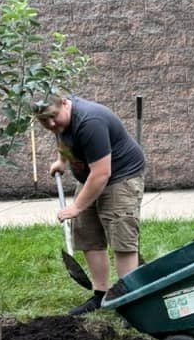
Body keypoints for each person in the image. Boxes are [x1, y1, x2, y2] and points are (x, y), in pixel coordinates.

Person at [34, 94, 145, 315]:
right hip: (90, 178)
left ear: (65, 103)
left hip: (120, 177)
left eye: (53, 117)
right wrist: (62, 161)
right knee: (88, 236)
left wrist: (76, 207)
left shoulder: (90, 122)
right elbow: (62, 136)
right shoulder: (60, 121)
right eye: (44, 120)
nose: (51, 124)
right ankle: (100, 295)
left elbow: (102, 173)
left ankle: (129, 301)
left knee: (121, 240)